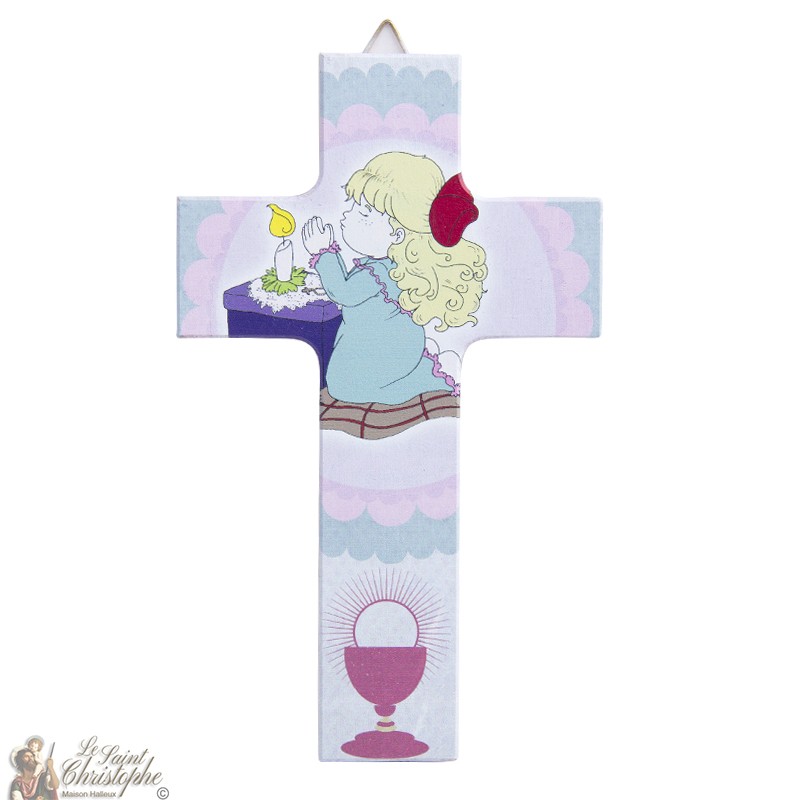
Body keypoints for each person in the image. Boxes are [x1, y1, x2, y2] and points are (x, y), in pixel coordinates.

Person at [302, 152, 487, 405]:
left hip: (381, 357)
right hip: (395, 352)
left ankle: (418, 385)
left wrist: (323, 252)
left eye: (364, 212)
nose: (346, 216)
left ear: (397, 235)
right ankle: (419, 378)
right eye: (353, 205)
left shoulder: (377, 273)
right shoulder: (397, 269)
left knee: (342, 386)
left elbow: (342, 292)